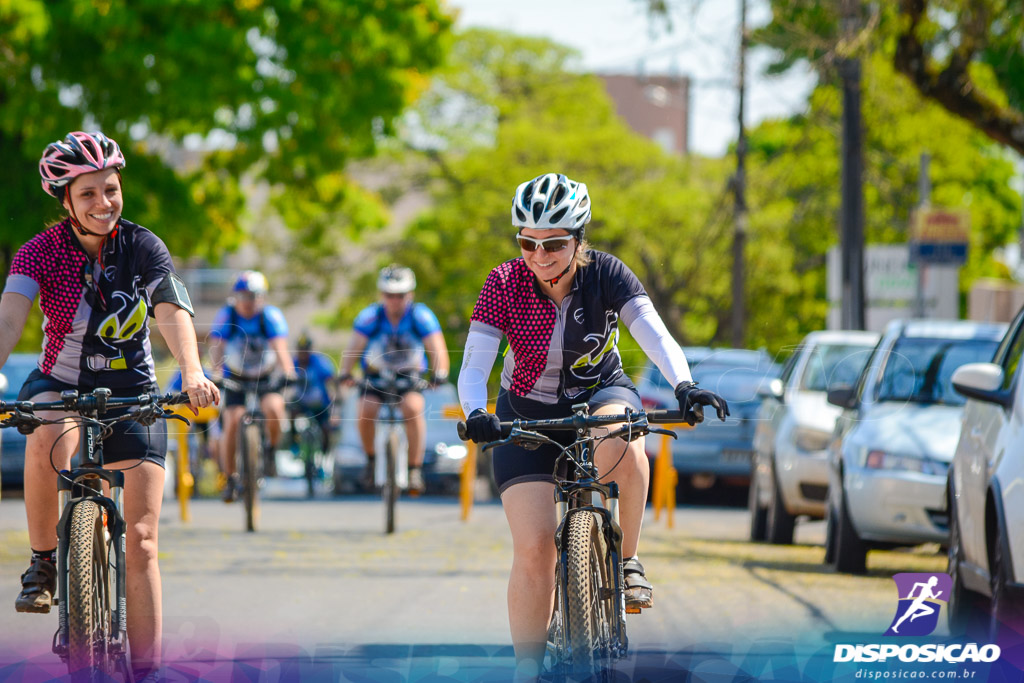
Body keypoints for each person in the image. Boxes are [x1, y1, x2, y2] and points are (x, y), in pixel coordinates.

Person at [457, 172, 729, 675]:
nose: (540, 257)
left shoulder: (607, 274)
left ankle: (629, 559)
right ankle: (526, 669)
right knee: (535, 548)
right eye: (528, 243)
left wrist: (684, 385)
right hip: (526, 409)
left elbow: (654, 334)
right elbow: (474, 368)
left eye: (554, 244)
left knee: (621, 432)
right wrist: (478, 415)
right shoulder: (502, 283)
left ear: (579, 238)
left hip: (600, 392)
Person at [1, 131, 219, 680]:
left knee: (142, 539)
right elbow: (10, 316)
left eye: (111, 190)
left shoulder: (144, 246)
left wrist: (191, 371)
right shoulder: (38, 251)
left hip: (135, 390)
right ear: (66, 202)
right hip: (62, 381)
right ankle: (45, 562)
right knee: (45, 426)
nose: (103, 204)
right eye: (89, 195)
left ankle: (145, 671)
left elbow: (170, 308)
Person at [339, 265, 450, 495]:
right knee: (367, 408)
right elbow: (353, 348)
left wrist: (440, 373)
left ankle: (414, 469)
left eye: (400, 295)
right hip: (376, 375)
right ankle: (370, 460)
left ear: (410, 294)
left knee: (413, 407)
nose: (395, 300)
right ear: (382, 295)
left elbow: (437, 348)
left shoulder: (421, 316)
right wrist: (346, 373)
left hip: (408, 376)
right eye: (390, 295)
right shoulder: (370, 317)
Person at [208, 270, 296, 501]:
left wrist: (288, 372)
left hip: (265, 377)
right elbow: (217, 347)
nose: (248, 301)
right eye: (243, 296)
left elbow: (281, 348)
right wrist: (215, 372)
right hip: (235, 377)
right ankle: (230, 477)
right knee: (232, 421)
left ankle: (270, 452)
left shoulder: (270, 316)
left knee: (275, 408)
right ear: (235, 297)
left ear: (262, 297)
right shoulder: (227, 315)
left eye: (254, 296)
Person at [288, 331, 337, 454]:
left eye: (305, 350)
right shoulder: (293, 363)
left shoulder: (320, 363)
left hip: (319, 403)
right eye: (301, 350)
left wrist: (336, 408)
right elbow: (285, 380)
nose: (303, 353)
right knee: (292, 413)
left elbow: (331, 381)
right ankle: (294, 442)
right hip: (301, 402)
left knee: (326, 428)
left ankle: (325, 453)